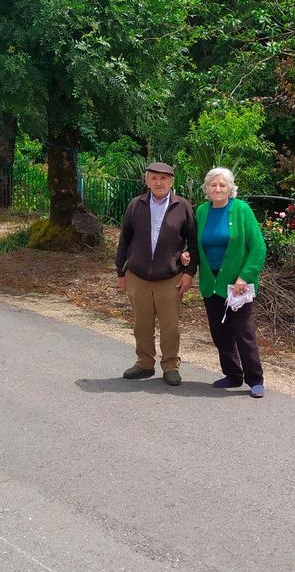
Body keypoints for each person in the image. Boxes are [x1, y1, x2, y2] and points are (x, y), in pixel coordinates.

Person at [114, 162, 197, 386]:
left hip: (170, 277)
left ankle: (170, 366)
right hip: (138, 276)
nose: (158, 182)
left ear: (171, 181)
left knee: (170, 326)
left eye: (163, 178)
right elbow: (124, 241)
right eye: (153, 178)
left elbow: (193, 243)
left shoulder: (183, 206)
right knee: (142, 324)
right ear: (146, 180)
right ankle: (144, 363)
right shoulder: (135, 205)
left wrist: (189, 273)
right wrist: (120, 271)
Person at [191, 167, 267, 398]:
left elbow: (258, 247)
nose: (218, 189)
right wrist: (187, 256)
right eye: (213, 185)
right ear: (207, 188)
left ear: (230, 188)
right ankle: (233, 375)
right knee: (219, 332)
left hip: (237, 284)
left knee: (242, 331)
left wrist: (245, 276)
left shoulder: (241, 210)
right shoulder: (202, 211)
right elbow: (195, 244)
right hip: (211, 282)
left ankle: (255, 379)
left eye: (222, 185)